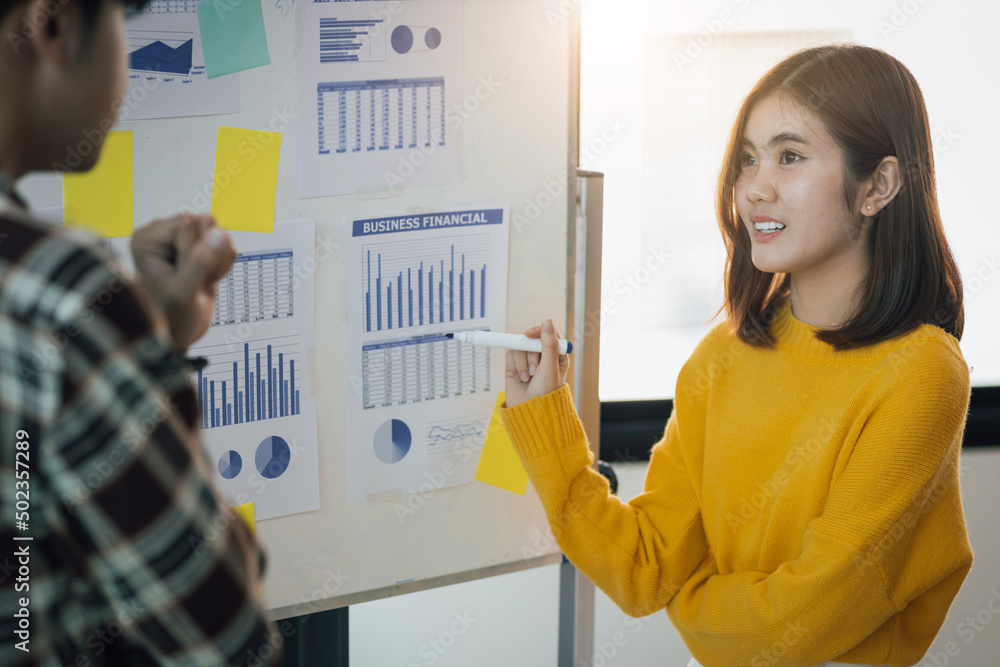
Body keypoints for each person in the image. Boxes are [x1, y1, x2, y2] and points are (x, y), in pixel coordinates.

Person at [502, 44, 972, 667]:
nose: (755, 189)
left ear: (878, 186)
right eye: (748, 160)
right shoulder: (721, 356)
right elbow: (643, 569)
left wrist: (693, 608)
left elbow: (803, 622)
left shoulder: (921, 373)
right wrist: (548, 422)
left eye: (791, 156)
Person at [0, 0, 279, 664]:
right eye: (127, 21)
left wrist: (149, 341)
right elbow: (223, 634)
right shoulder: (61, 293)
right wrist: (146, 356)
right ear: (55, 27)